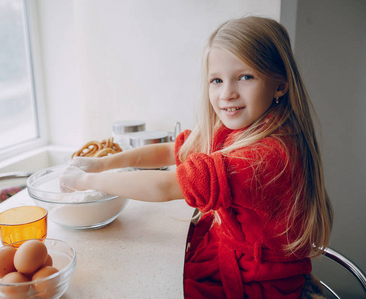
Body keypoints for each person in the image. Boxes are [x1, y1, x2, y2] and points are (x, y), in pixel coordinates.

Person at [60, 16, 333, 299]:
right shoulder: (244, 127)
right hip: (226, 258)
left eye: (245, 77)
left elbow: (165, 186)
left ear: (279, 85)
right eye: (216, 80)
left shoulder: (266, 157)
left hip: (256, 284)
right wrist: (103, 163)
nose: (227, 93)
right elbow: (174, 150)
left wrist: (86, 180)